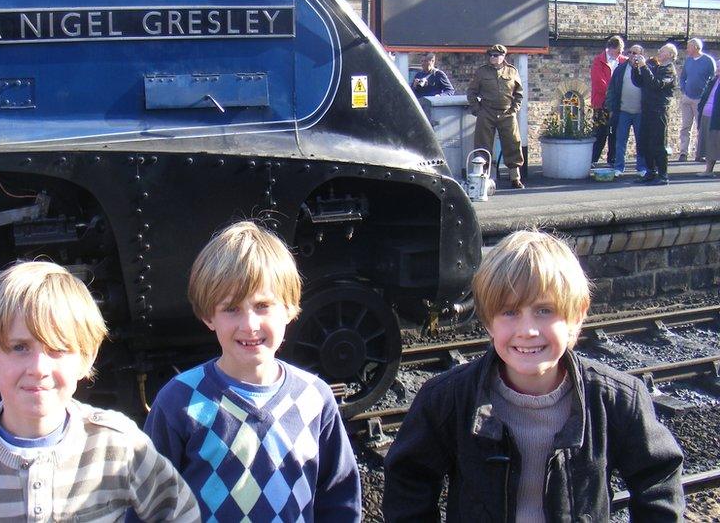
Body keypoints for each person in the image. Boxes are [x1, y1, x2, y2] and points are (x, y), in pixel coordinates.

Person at [382, 230, 685, 522]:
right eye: (509, 312)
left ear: (576, 315)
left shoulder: (616, 400)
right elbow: (408, 482)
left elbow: (658, 479)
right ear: (488, 321)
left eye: (544, 311)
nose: (527, 331)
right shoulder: (447, 399)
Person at [0, 262, 200, 522]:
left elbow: (179, 512)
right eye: (19, 347)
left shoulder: (116, 444)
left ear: (87, 358)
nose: (38, 368)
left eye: (56, 349)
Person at [143, 221, 361, 522]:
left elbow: (338, 498)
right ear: (208, 316)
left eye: (262, 305)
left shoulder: (315, 399)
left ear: (289, 308)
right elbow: (150, 505)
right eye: (231, 308)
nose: (249, 325)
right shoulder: (179, 401)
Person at [467, 44, 525, 188]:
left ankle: (515, 177)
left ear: (503, 56)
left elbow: (519, 94)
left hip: (507, 112)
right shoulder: (482, 72)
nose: (492, 58)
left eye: (495, 55)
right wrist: (477, 110)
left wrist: (514, 109)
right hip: (486, 111)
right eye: (490, 55)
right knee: (482, 145)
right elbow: (472, 92)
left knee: (513, 143)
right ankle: (482, 177)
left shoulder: (512, 71)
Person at [634, 43, 678, 185]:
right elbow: (640, 82)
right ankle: (650, 171)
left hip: (659, 109)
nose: (659, 51)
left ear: (670, 55)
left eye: (663, 50)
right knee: (645, 141)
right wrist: (636, 69)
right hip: (647, 108)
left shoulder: (669, 70)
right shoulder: (656, 67)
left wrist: (644, 67)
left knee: (658, 142)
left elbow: (656, 84)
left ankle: (663, 175)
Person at [606, 44, 647, 176]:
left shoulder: (646, 70)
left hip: (640, 112)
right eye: (630, 52)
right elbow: (612, 89)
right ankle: (619, 167)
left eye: (636, 53)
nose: (633, 55)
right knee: (620, 140)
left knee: (641, 140)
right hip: (623, 110)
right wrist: (611, 107)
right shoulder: (620, 69)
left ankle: (641, 167)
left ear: (641, 55)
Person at [590, 35, 627, 167]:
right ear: (611, 49)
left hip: (618, 103)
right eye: (618, 51)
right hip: (601, 103)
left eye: (621, 51)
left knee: (615, 132)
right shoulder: (598, 61)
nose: (620, 53)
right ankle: (593, 159)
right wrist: (612, 95)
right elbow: (599, 83)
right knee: (600, 131)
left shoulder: (623, 61)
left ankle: (612, 159)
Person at [679, 38, 717, 162]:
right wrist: (684, 89)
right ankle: (683, 152)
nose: (687, 49)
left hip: (701, 99)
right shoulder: (688, 60)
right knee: (685, 126)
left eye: (689, 46)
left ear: (695, 47)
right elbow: (683, 76)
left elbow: (713, 78)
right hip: (687, 97)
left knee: (700, 126)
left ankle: (700, 153)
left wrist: (705, 93)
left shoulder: (708, 61)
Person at [694, 73, 720, 177]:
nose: (717, 69)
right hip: (707, 115)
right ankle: (708, 170)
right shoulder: (713, 81)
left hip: (717, 117)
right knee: (709, 143)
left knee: (715, 142)